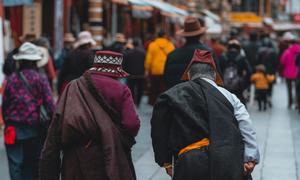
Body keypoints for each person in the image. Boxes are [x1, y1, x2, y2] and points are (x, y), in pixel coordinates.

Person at [151, 50, 259, 180]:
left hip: (189, 163)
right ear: (214, 75)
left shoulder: (171, 95)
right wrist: (250, 158)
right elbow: (245, 124)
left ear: (189, 75)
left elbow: (160, 128)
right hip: (227, 161)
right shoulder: (230, 96)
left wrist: (166, 162)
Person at [39, 51, 140, 180]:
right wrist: (115, 135)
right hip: (108, 155)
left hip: (74, 159)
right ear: (116, 71)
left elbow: (57, 122)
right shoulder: (121, 89)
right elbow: (132, 124)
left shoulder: (72, 86)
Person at [2, 42, 55, 180]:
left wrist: (8, 122)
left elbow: (5, 104)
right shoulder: (40, 79)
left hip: (13, 129)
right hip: (34, 129)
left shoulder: (11, 79)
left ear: (21, 61)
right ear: (35, 61)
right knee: (32, 165)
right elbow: (50, 105)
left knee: (15, 165)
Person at [163, 16, 215, 89]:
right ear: (200, 35)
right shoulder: (208, 53)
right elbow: (217, 79)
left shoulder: (172, 55)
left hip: (177, 96)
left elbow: (166, 79)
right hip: (201, 97)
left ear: (184, 36)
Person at [145, 30, 175, 105]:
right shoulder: (170, 45)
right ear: (165, 36)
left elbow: (149, 59)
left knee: (154, 88)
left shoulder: (152, 45)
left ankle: (154, 103)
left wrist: (147, 68)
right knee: (163, 88)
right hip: (166, 69)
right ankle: (163, 103)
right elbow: (173, 58)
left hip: (154, 70)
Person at [219, 39, 252, 104]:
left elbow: (217, 70)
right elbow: (249, 71)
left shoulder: (222, 57)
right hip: (238, 87)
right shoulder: (242, 57)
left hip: (224, 86)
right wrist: (244, 83)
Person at [123, 37, 146, 107]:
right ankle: (138, 102)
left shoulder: (128, 53)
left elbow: (125, 64)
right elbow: (146, 63)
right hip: (141, 74)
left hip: (131, 74)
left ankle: (133, 101)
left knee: (131, 89)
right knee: (140, 89)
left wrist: (126, 72)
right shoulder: (143, 52)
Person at [280, 34, 300, 108]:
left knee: (289, 88)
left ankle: (290, 102)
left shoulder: (287, 51)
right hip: (298, 73)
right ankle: (297, 102)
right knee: (297, 88)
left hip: (288, 73)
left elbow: (282, 61)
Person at [257, 38, 278, 107]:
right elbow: (276, 63)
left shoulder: (260, 51)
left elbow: (257, 61)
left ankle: (263, 98)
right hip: (271, 72)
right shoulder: (273, 52)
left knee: (262, 85)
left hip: (262, 72)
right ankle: (269, 97)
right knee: (270, 86)